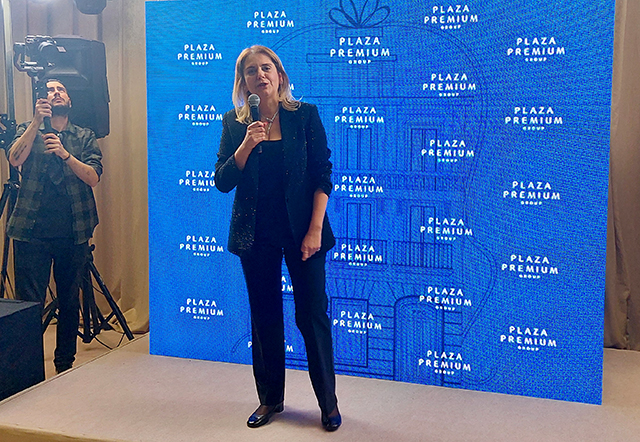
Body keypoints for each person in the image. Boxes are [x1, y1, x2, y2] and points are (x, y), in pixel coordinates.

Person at [215, 45, 341, 431]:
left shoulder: (304, 115)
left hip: (303, 233)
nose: (260, 75)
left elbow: (322, 174)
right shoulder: (234, 123)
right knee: (265, 318)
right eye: (251, 71)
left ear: (280, 76)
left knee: (312, 316)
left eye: (266, 68)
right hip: (255, 235)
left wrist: (315, 230)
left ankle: (328, 404)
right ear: (243, 83)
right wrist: (246, 144)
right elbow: (222, 181)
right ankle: (270, 399)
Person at [7, 79, 102, 374]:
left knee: (70, 301)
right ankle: (28, 368)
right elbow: (14, 158)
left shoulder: (84, 135)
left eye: (61, 89)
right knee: (28, 304)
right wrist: (37, 122)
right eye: (49, 90)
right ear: (41, 100)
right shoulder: (27, 129)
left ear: (69, 101)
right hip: (31, 231)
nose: (56, 93)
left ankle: (65, 365)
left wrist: (65, 154)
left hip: (73, 231)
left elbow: (93, 177)